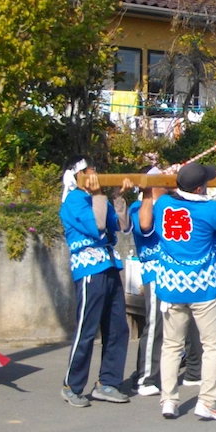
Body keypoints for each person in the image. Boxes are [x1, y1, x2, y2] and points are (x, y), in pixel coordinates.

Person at [144, 162, 216, 420]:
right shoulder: (213, 210)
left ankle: (169, 400)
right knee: (212, 344)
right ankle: (207, 401)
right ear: (201, 187)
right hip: (202, 286)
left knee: (171, 345)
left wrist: (169, 174)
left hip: (170, 285)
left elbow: (157, 188)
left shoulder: (163, 206)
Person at [58, 158, 133, 408]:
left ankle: (108, 382)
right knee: (87, 328)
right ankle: (72, 385)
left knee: (117, 328)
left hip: (109, 265)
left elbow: (120, 226)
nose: (96, 174)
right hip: (89, 268)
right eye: (91, 170)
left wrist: (117, 198)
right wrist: (99, 195)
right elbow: (97, 226)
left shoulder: (94, 198)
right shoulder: (74, 200)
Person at [126, 172, 164, 396]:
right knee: (155, 324)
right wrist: (148, 193)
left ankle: (191, 370)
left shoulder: (170, 203)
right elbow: (145, 227)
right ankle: (145, 376)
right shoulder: (137, 207)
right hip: (154, 270)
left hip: (176, 271)